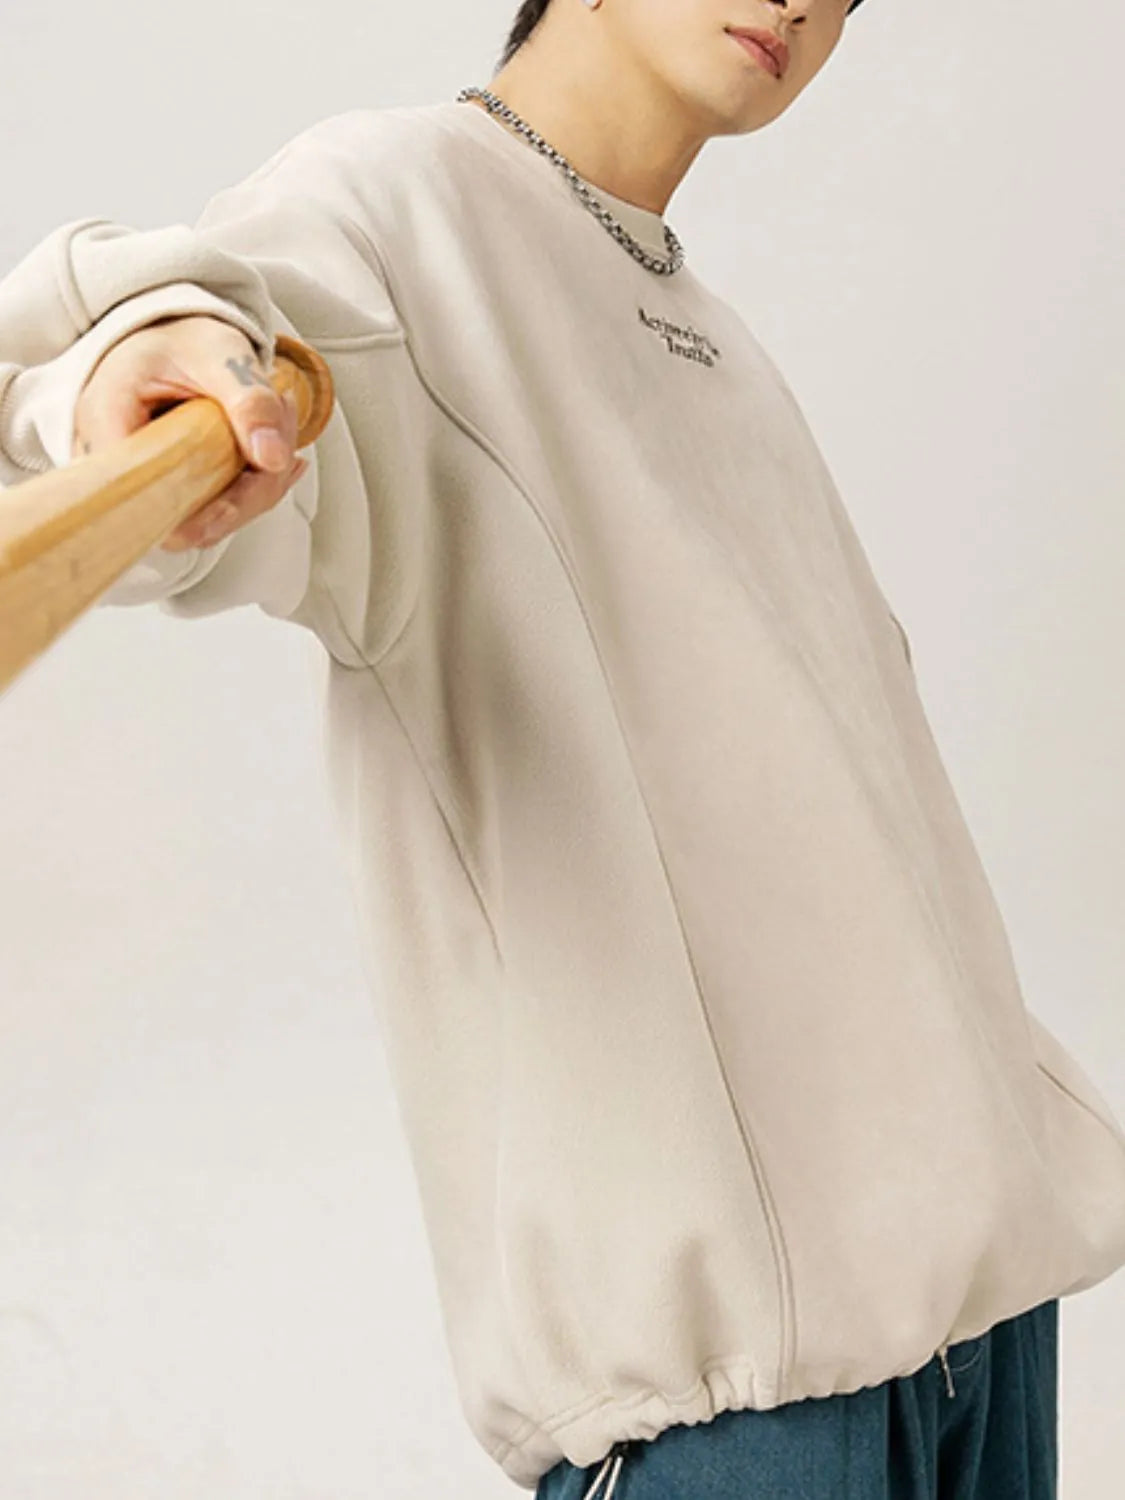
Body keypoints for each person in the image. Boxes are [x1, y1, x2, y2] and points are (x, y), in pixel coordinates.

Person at [1, 1, 1122, 1495]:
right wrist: (147, 367)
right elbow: (172, 360)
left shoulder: (706, 326)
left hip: (986, 1324)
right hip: (746, 1409)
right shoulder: (393, 204)